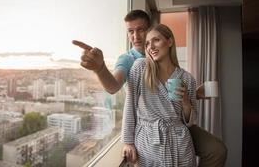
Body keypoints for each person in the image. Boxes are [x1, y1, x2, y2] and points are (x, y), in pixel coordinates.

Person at [72, 10, 227, 167]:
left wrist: (190, 97)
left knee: (217, 149)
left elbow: (181, 111)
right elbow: (117, 90)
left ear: (167, 40)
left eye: (141, 30)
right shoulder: (132, 62)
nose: (136, 36)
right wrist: (100, 68)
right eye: (131, 31)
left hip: (178, 133)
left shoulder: (185, 76)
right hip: (149, 134)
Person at [121, 23, 197, 166]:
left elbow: (190, 121)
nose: (151, 47)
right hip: (148, 144)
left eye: (156, 40)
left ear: (169, 41)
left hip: (180, 144)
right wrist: (128, 142)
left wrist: (186, 102)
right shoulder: (140, 67)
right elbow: (129, 105)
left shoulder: (187, 79)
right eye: (147, 44)